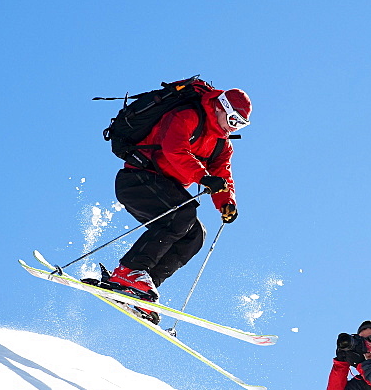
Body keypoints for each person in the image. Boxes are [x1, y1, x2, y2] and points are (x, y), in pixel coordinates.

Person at [91, 86, 252, 315]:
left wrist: (227, 202)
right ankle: (128, 272)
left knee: (195, 234)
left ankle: (140, 290)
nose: (233, 126)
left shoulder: (221, 145)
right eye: (233, 119)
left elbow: (223, 175)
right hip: (138, 179)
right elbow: (174, 149)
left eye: (240, 124)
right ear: (220, 107)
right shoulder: (188, 115)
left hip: (165, 188)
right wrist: (203, 177)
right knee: (182, 215)